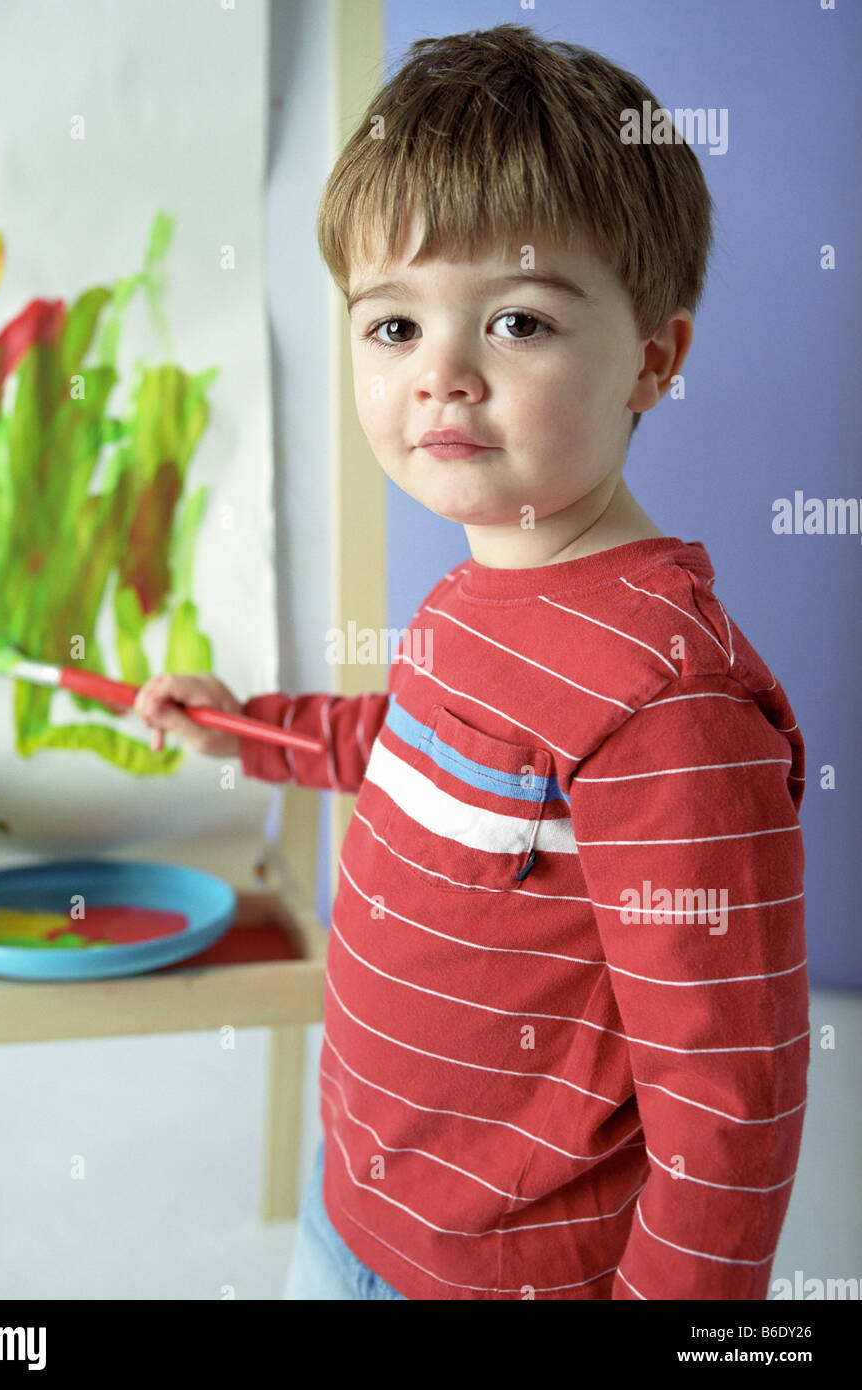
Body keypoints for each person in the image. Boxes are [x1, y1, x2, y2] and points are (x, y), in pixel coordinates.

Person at [134, 23, 808, 1300]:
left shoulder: (672, 702)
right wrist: (251, 730)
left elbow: (731, 1104)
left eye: (514, 321)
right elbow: (418, 747)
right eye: (391, 326)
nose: (440, 376)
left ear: (652, 362)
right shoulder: (484, 579)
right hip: (355, 1211)